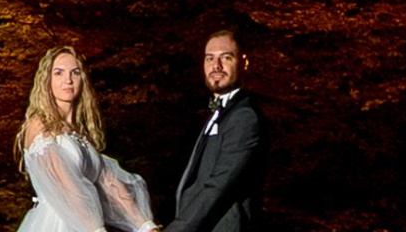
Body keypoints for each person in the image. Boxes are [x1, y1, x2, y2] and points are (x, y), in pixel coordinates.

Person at [18, 46, 160, 232]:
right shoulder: (39, 125)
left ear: (82, 79)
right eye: (59, 73)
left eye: (74, 72)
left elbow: (110, 184)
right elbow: (67, 186)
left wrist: (145, 226)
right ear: (47, 80)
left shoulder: (80, 134)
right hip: (59, 224)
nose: (68, 80)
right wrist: (95, 229)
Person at [169, 25, 263, 232]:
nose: (216, 65)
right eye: (209, 58)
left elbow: (219, 186)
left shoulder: (244, 117)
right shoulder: (219, 113)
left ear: (244, 62)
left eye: (226, 57)